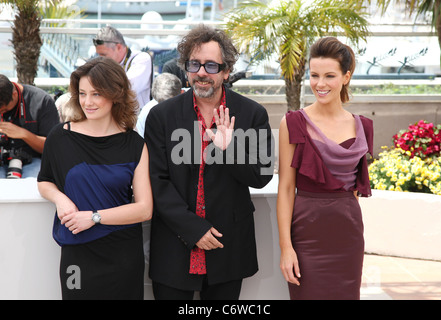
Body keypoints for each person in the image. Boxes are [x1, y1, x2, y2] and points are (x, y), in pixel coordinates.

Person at [145, 24, 274, 300]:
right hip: (174, 245)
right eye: (194, 64)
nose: (202, 72)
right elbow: (157, 181)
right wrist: (193, 229)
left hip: (227, 246)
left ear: (226, 71)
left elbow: (262, 175)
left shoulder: (252, 114)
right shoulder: (161, 116)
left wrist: (229, 150)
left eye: (211, 66)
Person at [37, 56, 153, 300]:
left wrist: (94, 217)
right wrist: (60, 199)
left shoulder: (134, 144)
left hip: (123, 255)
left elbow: (144, 209)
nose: (87, 102)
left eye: (96, 94)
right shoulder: (60, 137)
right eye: (82, 93)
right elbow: (45, 180)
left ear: (115, 94)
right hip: (77, 253)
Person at [277, 37, 373, 300]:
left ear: (346, 77)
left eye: (329, 75)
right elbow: (285, 189)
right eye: (314, 75)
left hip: (348, 236)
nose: (320, 84)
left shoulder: (362, 126)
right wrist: (286, 248)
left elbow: (354, 189)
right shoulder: (293, 123)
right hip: (307, 236)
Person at [0, 74, 60, 178]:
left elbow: (53, 148)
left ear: (14, 94)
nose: (2, 113)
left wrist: (24, 134)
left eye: (4, 110)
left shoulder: (42, 101)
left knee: (35, 186)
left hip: (32, 160)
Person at [93, 26, 153, 109]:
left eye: (104, 55)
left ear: (118, 47)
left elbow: (126, 89)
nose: (100, 59)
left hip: (138, 118)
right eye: (98, 55)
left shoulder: (142, 59)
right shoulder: (105, 64)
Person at [136, 72, 182, 137]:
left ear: (181, 93)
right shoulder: (147, 113)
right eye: (161, 104)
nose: (165, 108)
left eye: (169, 104)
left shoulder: (192, 104)